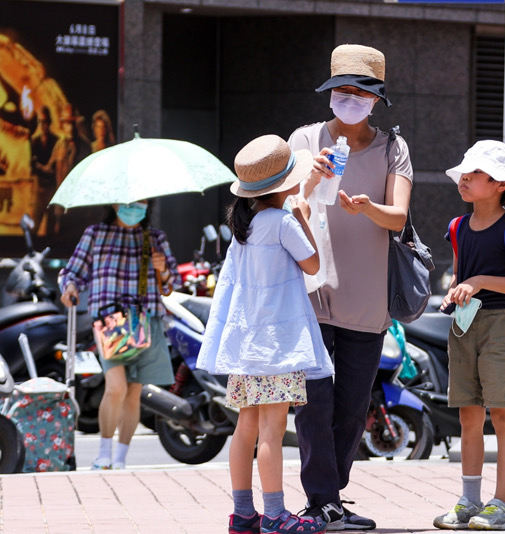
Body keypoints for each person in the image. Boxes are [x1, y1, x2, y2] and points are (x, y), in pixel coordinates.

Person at [288, 44, 413, 530]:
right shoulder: (304, 138)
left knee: (351, 407)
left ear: (377, 100)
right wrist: (308, 180)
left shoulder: (392, 148)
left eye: (360, 92)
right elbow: (285, 207)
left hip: (367, 300)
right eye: (342, 91)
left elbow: (399, 216)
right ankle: (321, 500)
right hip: (312, 292)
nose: (350, 99)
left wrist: (368, 209)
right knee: (312, 403)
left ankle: (330, 496)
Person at [196, 134, 333, 534]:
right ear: (287, 185)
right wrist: (303, 214)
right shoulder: (283, 222)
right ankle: (275, 515)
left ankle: (243, 513)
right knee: (273, 430)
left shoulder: (247, 224)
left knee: (246, 429)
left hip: (247, 346)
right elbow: (313, 265)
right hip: (279, 345)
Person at [433, 140, 505, 531]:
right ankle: (469, 501)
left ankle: (504, 505)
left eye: (475, 173)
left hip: (502, 327)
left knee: (502, 414)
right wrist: (457, 289)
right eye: (465, 171)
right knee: (468, 415)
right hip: (465, 324)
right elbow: (461, 275)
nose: (465, 177)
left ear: (500, 185)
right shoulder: (457, 227)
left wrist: (478, 281)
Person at [59, 200, 181, 470]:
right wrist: (68, 289)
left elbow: (172, 285)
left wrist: (163, 270)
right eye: (129, 203)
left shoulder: (155, 237)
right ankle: (103, 454)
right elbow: (72, 272)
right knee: (116, 388)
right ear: (114, 204)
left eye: (141, 203)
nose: (135, 208)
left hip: (145, 321)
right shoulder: (95, 233)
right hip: (110, 322)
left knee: (133, 393)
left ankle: (120, 460)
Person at [47, 103, 91, 234]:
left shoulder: (85, 146)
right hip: (61, 205)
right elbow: (50, 167)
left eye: (72, 123)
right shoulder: (59, 145)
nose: (70, 128)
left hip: (79, 206)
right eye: (67, 123)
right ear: (63, 125)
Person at [29, 105, 58, 235]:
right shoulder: (34, 141)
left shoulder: (56, 140)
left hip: (52, 189)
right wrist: (43, 168)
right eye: (40, 121)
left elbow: (56, 166)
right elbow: (32, 165)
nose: (42, 125)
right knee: (34, 225)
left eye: (45, 121)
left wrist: (43, 167)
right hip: (39, 189)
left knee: (51, 227)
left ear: (49, 122)